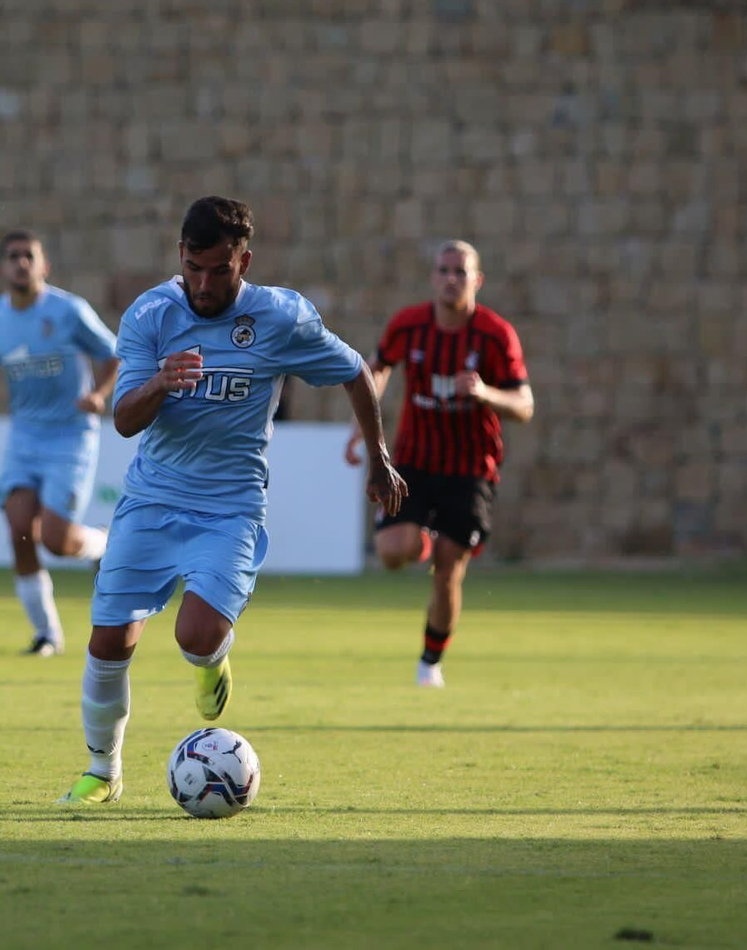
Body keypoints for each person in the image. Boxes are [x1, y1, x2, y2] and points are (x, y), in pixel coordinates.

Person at [57, 196, 407, 805]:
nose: (204, 284)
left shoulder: (279, 317)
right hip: (151, 500)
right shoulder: (151, 314)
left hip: (230, 507)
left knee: (195, 635)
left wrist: (378, 457)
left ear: (244, 261)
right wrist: (162, 382)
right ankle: (102, 772)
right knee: (109, 641)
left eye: (219, 270)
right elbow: (124, 420)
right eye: (194, 268)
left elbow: (354, 371)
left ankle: (212, 659)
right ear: (180, 255)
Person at [345, 240, 534, 688]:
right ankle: (422, 542)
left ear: (477, 280)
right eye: (444, 271)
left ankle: (430, 662)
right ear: (433, 278)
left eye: (460, 272)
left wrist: (485, 393)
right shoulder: (408, 325)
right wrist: (359, 429)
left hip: (471, 469)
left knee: (450, 568)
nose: (451, 279)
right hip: (414, 461)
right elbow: (378, 368)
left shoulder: (495, 334)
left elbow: (524, 405)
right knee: (393, 552)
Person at [0, 230, 120, 656]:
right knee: (20, 529)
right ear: (1, 267)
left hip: (71, 436)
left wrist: (99, 394)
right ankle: (47, 635)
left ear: (44, 266)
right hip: (24, 436)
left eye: (28, 256)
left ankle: (104, 543)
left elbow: (113, 353)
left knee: (56, 540)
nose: (21, 263)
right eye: (13, 256)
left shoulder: (69, 310)